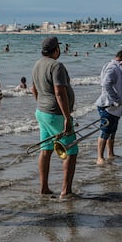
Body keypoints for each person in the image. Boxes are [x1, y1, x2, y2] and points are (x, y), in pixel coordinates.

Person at [31, 36, 77, 198]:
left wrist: (41, 103)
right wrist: (66, 117)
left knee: (46, 150)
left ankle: (43, 187)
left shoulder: (37, 64)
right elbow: (59, 92)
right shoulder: (56, 66)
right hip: (56, 114)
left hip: (42, 113)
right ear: (56, 49)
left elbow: (33, 89)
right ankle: (66, 190)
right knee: (72, 150)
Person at [95, 50, 122, 165]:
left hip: (114, 108)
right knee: (105, 131)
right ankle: (99, 157)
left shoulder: (117, 68)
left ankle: (110, 153)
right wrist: (116, 99)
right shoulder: (112, 67)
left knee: (112, 131)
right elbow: (106, 84)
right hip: (107, 105)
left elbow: (116, 82)